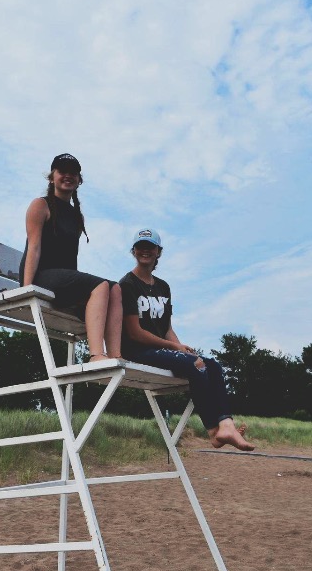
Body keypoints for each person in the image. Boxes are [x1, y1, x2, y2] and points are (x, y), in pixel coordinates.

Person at [120, 229, 254, 451]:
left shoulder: (163, 287)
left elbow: (166, 328)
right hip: (137, 351)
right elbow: (134, 332)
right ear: (133, 250)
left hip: (159, 349)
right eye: (140, 246)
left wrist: (181, 350)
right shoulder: (127, 284)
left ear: (158, 252)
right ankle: (213, 431)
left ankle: (226, 425)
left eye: (150, 246)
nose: (145, 250)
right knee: (194, 365)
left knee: (212, 365)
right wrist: (174, 348)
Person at [20, 153, 122, 361]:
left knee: (115, 288)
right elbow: (34, 247)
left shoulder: (77, 216)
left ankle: (115, 355)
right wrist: (26, 290)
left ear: (79, 180)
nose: (68, 176)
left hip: (62, 280)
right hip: (41, 277)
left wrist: (78, 293)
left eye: (73, 173)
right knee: (101, 285)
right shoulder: (41, 205)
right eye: (62, 171)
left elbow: (69, 259)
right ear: (52, 177)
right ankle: (96, 354)